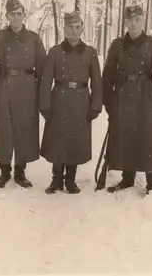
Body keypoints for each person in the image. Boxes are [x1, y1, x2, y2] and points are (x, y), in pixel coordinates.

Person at [102, 5, 152, 194]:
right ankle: (127, 178)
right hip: (123, 97)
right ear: (125, 22)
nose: (133, 24)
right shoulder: (117, 45)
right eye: (129, 20)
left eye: (137, 20)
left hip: (147, 98)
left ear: (143, 21)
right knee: (126, 136)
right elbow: (107, 76)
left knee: (149, 138)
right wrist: (109, 104)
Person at [0, 0, 46, 188]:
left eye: (19, 14)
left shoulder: (34, 39)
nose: (16, 18)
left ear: (24, 15)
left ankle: (20, 171)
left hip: (27, 89)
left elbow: (43, 69)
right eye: (12, 15)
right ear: (7, 16)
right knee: (4, 129)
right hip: (4, 87)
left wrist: (42, 97)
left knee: (24, 128)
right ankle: (4, 171)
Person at [39, 11, 103, 194]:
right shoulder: (55, 52)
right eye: (70, 28)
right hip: (59, 99)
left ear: (82, 29)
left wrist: (96, 106)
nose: (74, 32)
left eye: (77, 27)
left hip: (81, 101)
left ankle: (71, 179)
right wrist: (45, 105)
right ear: (64, 29)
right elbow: (46, 81)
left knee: (75, 141)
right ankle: (56, 179)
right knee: (58, 141)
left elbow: (97, 82)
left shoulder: (90, 53)